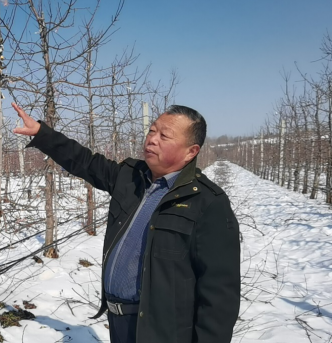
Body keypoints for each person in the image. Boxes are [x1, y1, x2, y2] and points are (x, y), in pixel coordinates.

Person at [12, 102, 240, 343]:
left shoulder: (207, 202)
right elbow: (85, 162)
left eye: (164, 135)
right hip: (118, 323)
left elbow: (219, 295)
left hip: (162, 332)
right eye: (152, 131)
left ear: (190, 152)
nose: (152, 139)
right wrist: (42, 134)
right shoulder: (131, 176)